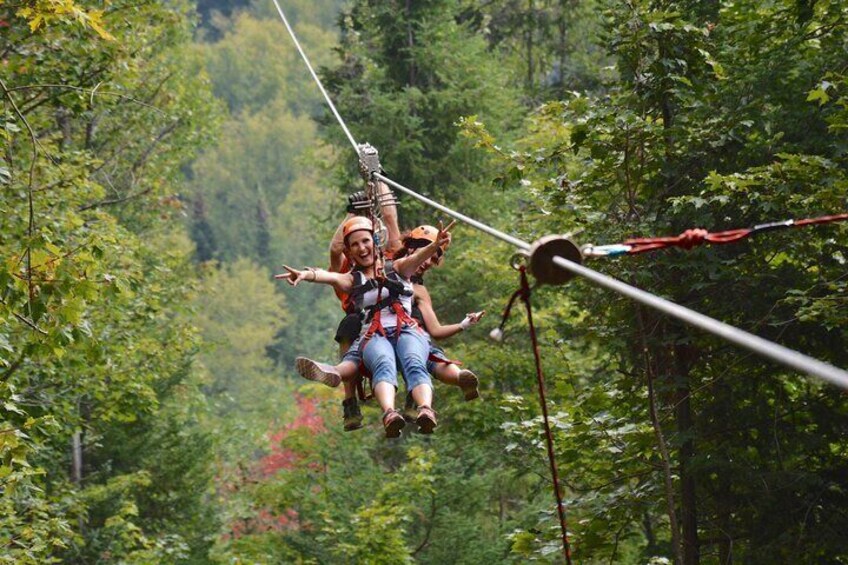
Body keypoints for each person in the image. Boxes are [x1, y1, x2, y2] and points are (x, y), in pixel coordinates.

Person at [277, 217, 453, 438]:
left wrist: (435, 245)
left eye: (365, 242)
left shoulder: (397, 267)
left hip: (405, 330)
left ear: (375, 242)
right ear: (349, 252)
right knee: (382, 363)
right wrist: (307, 274)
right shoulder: (352, 279)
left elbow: (417, 258)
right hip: (376, 334)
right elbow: (330, 276)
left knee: (415, 361)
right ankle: (389, 412)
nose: (362, 248)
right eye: (355, 245)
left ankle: (425, 408)